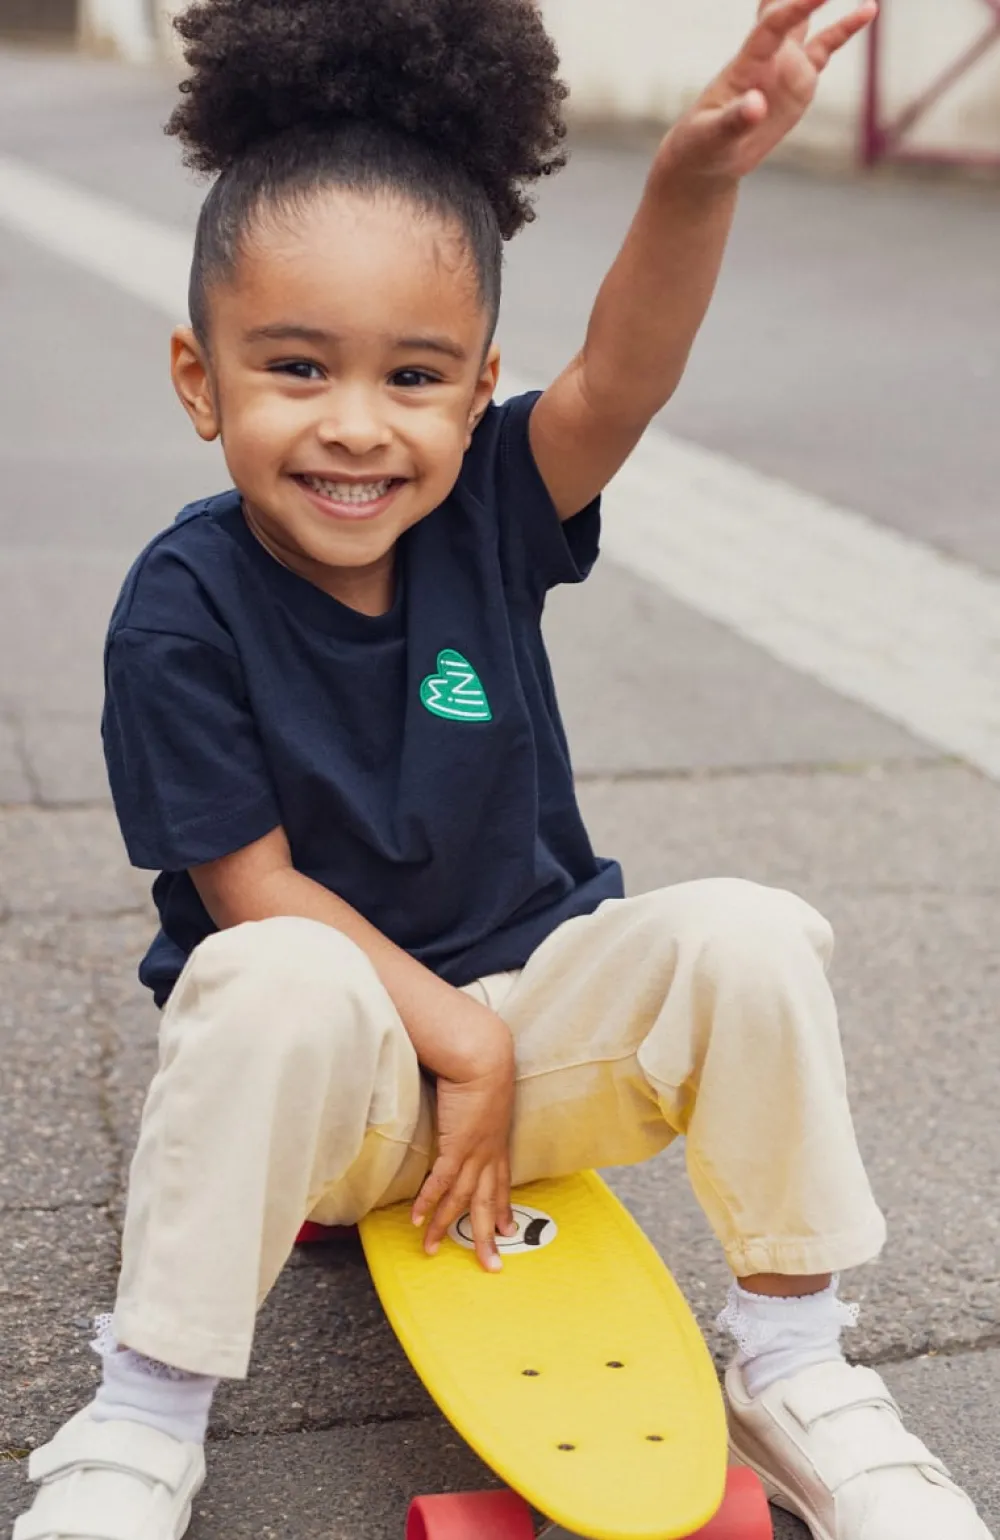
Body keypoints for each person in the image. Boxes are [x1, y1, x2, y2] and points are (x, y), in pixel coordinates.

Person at [13, 1, 993, 1538]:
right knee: (267, 975)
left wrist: (698, 178)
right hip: (338, 1095)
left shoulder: (491, 510)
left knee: (750, 932)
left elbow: (625, 376)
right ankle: (145, 1407)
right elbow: (251, 886)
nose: (355, 426)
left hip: (536, 1049)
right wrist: (457, 1049)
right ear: (201, 382)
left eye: (415, 378)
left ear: (478, 397)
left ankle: (798, 1362)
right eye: (295, 367)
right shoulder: (180, 606)